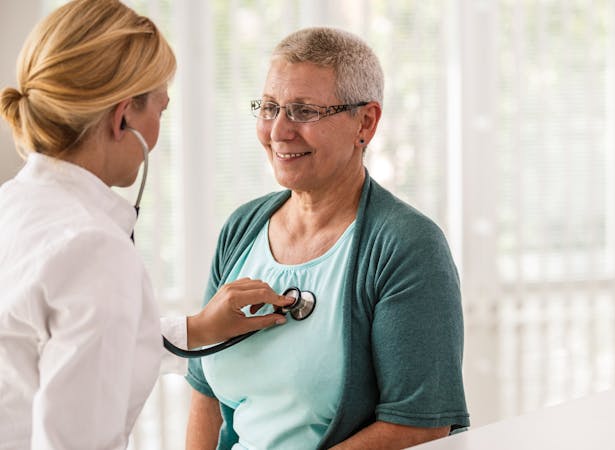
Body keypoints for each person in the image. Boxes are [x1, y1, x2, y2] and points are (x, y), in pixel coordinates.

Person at [0, 1, 293, 449]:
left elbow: (56, 348)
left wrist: (196, 329)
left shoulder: (13, 205)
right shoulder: (93, 248)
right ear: (123, 118)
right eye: (160, 109)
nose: (157, 132)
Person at [185, 27, 470, 450]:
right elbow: (203, 391)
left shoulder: (407, 246)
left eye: (303, 111)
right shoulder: (242, 228)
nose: (278, 131)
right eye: (269, 107)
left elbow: (418, 425)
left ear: (366, 123)